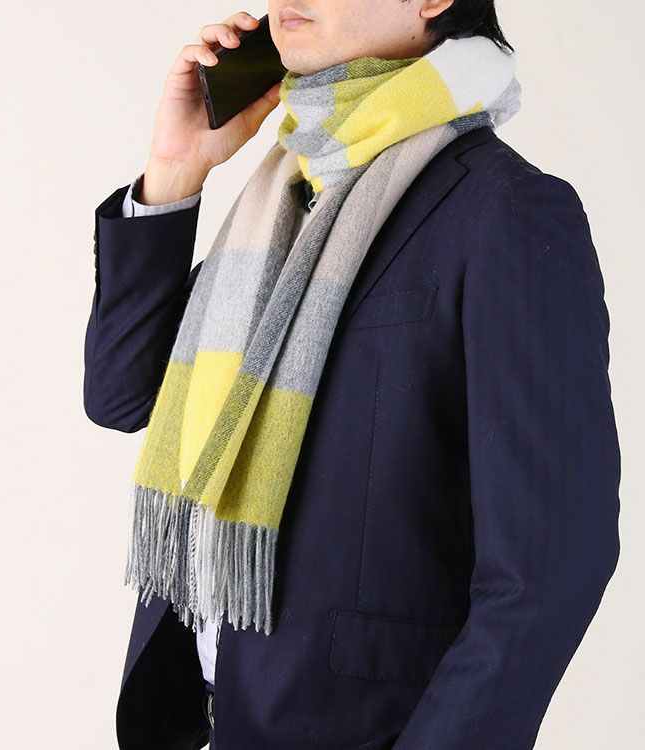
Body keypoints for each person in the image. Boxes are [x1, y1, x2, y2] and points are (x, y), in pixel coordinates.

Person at [83, 2, 621, 749]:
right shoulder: (284, 198)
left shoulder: (505, 210)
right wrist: (175, 171)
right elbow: (121, 394)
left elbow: (549, 567)